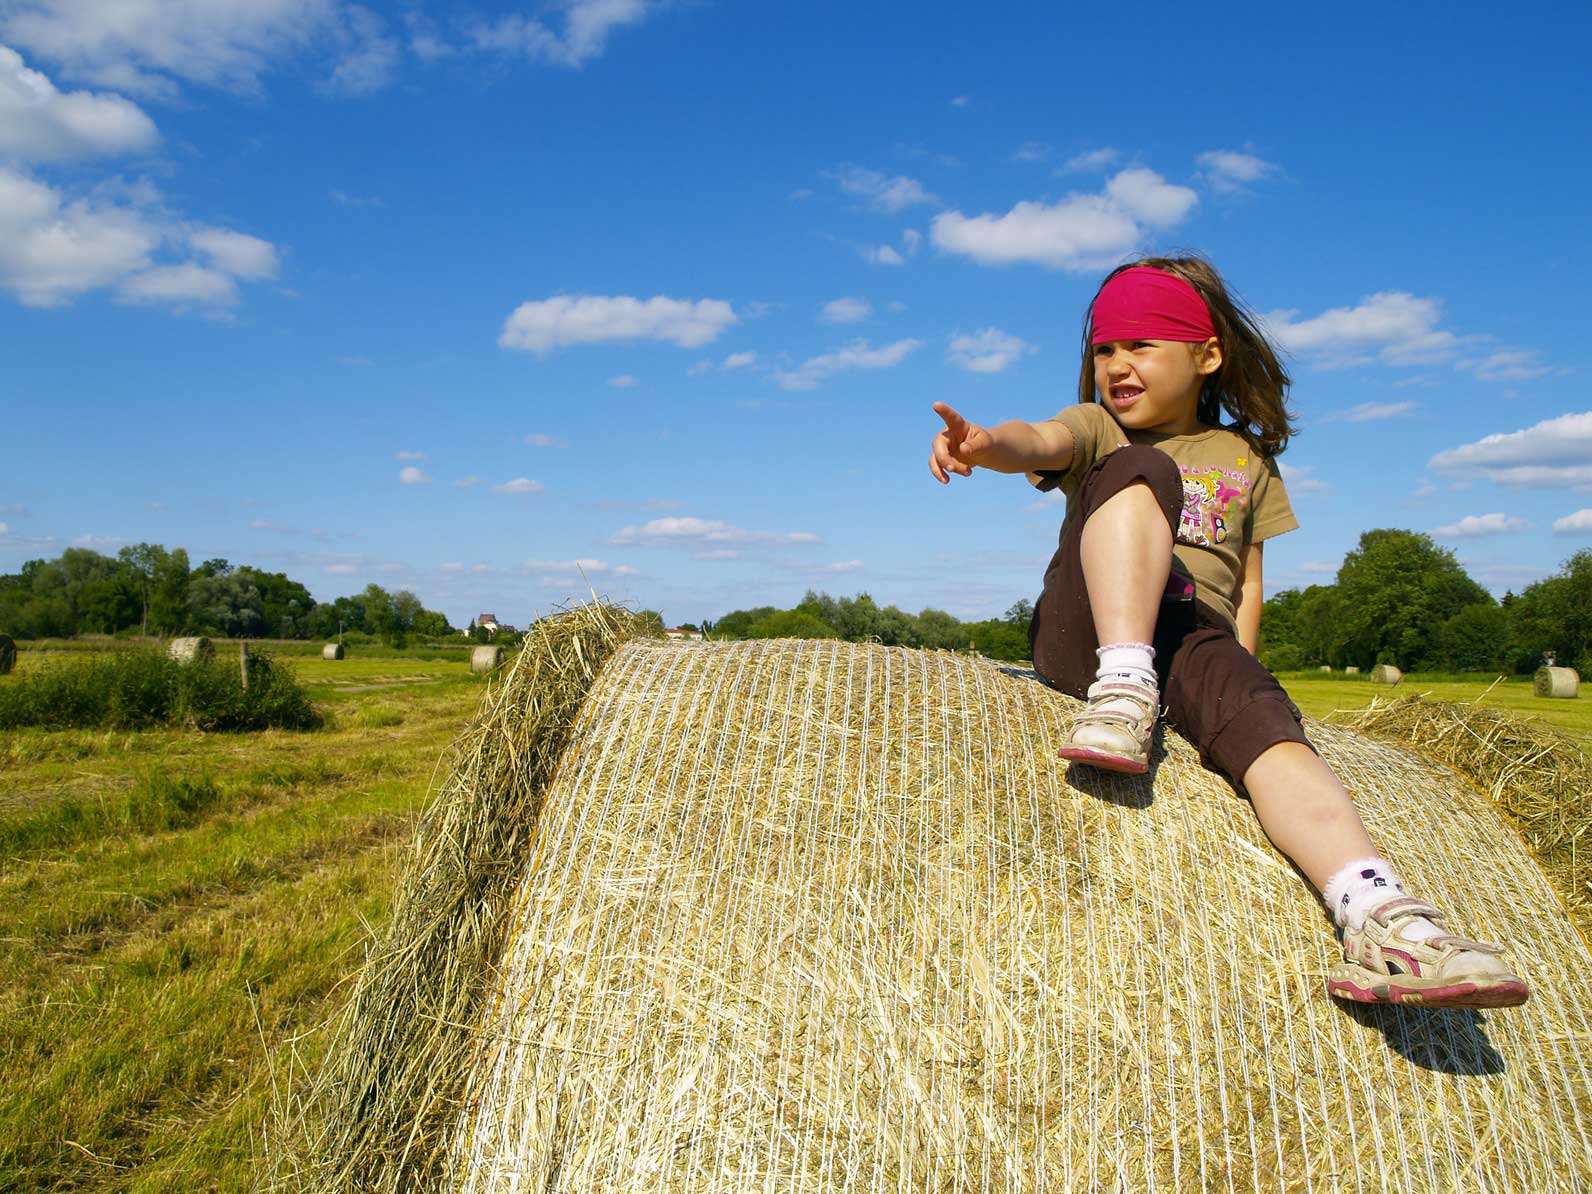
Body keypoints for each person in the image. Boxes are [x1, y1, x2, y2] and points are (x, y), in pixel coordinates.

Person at [927, 255, 1528, 1010]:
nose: (1117, 364)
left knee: (1272, 734)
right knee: (1141, 468)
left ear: (1205, 356)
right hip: (1085, 625)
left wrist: (1243, 680)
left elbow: (1246, 578)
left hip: (1191, 635)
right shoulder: (1099, 430)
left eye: (1141, 346)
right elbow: (1039, 440)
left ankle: (1381, 918)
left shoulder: (1246, 460)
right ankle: (1122, 684)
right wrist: (988, 445)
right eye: (1106, 349)